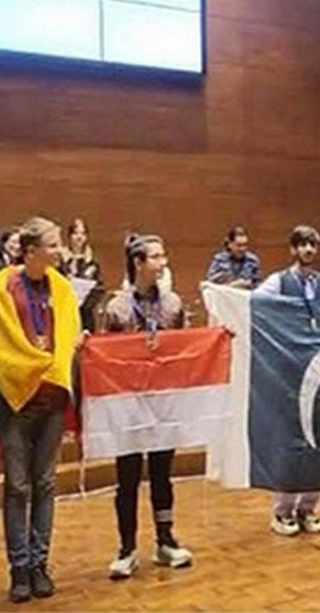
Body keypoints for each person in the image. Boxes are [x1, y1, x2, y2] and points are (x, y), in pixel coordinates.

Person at [0, 217, 81, 602]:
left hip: (51, 400)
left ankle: (39, 564)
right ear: (31, 251)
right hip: (16, 403)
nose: (59, 250)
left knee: (46, 484)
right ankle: (19, 567)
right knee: (18, 487)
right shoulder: (3, 285)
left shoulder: (63, 288)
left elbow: (69, 335)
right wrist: (28, 366)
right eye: (53, 244)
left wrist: (68, 352)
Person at [102, 234, 195, 580]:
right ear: (138, 263)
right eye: (155, 256)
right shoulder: (117, 308)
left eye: (163, 255)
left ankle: (165, 540)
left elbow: (186, 345)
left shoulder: (172, 304)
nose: (162, 262)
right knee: (127, 478)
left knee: (161, 473)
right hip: (128, 404)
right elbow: (105, 355)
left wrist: (218, 338)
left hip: (162, 403)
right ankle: (126, 549)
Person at [259, 225, 320, 535]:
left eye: (313, 244)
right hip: (288, 370)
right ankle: (282, 511)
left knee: (319, 437)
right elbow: (253, 303)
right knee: (291, 440)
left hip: (318, 368)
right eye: (303, 244)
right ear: (293, 249)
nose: (309, 250)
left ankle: (308, 507)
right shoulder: (278, 282)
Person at [60, 218, 104, 333]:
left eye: (83, 234)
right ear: (69, 236)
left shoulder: (92, 262)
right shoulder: (61, 261)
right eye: (76, 233)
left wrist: (85, 302)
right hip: (64, 312)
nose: (79, 237)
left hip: (85, 315)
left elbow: (99, 288)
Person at [204, 225, 261, 289]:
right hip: (223, 293)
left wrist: (247, 284)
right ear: (230, 244)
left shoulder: (252, 260)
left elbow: (258, 285)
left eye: (245, 245)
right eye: (239, 245)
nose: (242, 249)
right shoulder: (219, 260)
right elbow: (209, 283)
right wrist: (233, 285)